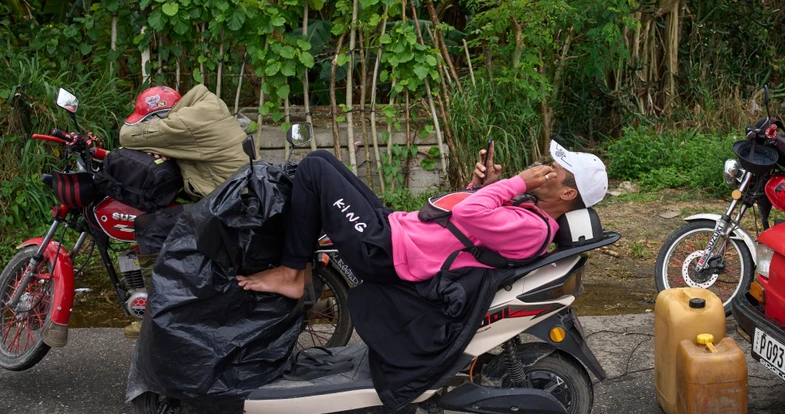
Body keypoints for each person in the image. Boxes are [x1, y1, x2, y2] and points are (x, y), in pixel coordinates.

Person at [236, 141, 609, 299]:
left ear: (567, 195)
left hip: (388, 251)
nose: (541, 171)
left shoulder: (532, 228)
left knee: (316, 167)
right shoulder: (529, 212)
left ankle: (290, 274)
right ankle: (295, 267)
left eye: (553, 172)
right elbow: (467, 225)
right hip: (397, 232)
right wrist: (483, 186)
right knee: (325, 163)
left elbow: (467, 215)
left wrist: (513, 184)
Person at [119, 84, 250, 199]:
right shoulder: (206, 105)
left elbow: (126, 136)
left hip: (231, 198)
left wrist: (152, 138)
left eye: (147, 120)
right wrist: (157, 146)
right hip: (248, 184)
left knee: (151, 222)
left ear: (161, 115)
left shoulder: (182, 123)